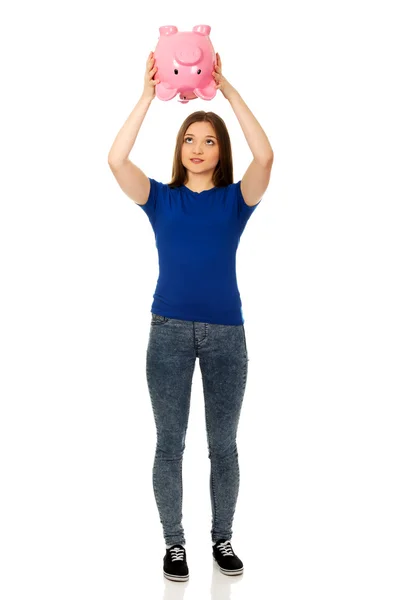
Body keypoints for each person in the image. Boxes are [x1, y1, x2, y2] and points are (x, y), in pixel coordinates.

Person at [108, 51, 274, 583]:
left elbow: (266, 156)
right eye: (189, 139)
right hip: (169, 332)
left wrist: (227, 91)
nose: (198, 148)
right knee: (169, 442)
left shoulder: (235, 201)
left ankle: (222, 538)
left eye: (209, 141)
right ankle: (174, 545)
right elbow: (115, 160)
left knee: (223, 444)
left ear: (220, 151)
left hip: (228, 334)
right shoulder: (160, 199)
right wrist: (145, 97)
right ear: (179, 149)